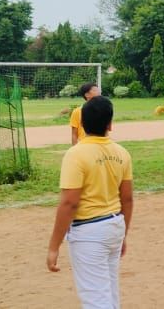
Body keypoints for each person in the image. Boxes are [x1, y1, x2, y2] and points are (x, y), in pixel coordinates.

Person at [47, 96, 134, 308]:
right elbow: (127, 199)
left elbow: (69, 203)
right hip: (114, 224)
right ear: (110, 124)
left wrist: (53, 246)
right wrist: (123, 234)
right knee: (110, 294)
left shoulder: (76, 154)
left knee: (96, 299)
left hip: (89, 232)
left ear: (82, 124)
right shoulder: (122, 153)